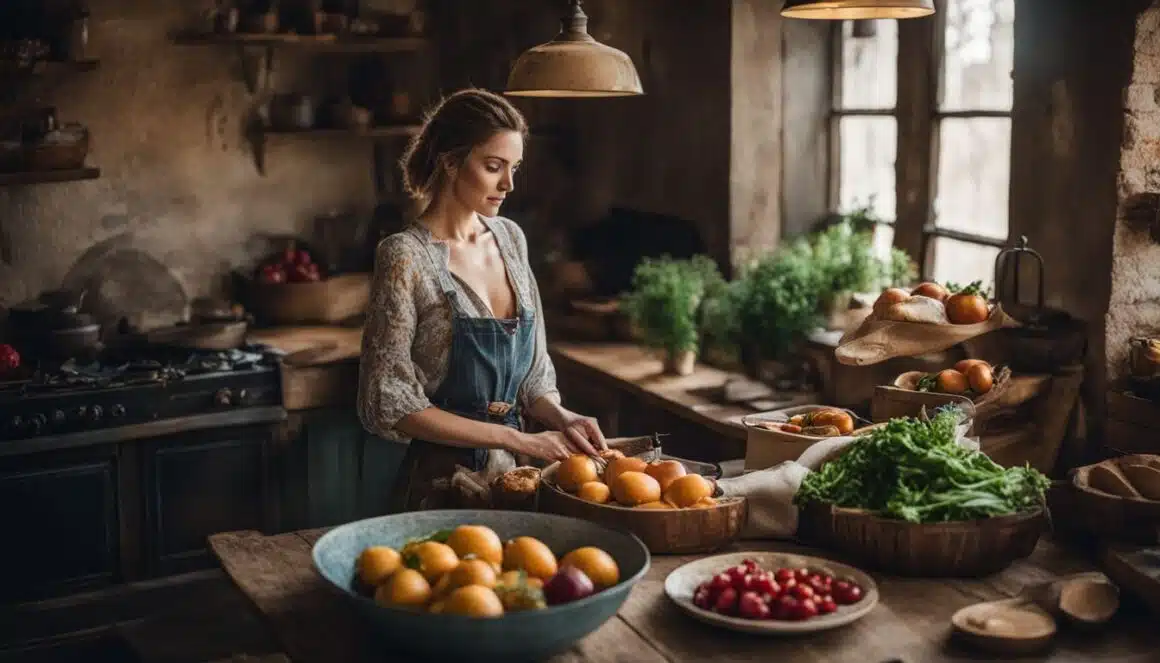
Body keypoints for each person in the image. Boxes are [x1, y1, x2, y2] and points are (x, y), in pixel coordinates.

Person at [357, 87, 608, 512]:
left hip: (519, 479)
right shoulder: (405, 255)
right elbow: (389, 403)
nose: (508, 184)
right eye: (494, 167)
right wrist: (515, 436)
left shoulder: (510, 238)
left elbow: (531, 377)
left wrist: (561, 417)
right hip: (442, 488)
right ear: (451, 161)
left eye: (515, 167)